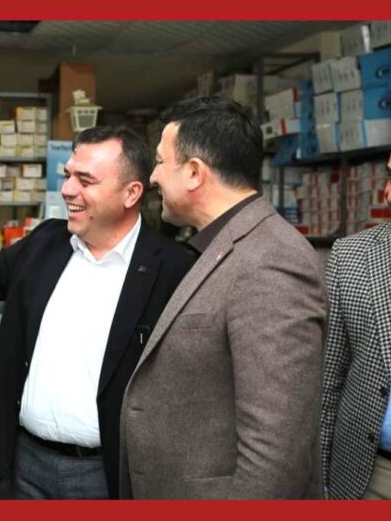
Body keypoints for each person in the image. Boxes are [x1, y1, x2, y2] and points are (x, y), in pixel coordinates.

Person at [0, 125, 193, 499]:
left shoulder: (173, 269)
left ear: (131, 193)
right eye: (68, 175)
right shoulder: (47, 242)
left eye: (85, 180)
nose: (68, 189)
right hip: (23, 467)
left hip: (106, 477)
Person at [119, 96, 327, 499]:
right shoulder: (224, 245)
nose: (153, 177)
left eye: (160, 162)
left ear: (195, 173)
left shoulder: (271, 261)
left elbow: (275, 457)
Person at [322, 152, 391, 500]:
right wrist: (319, 481)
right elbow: (328, 380)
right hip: (370, 474)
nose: (388, 193)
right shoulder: (350, 256)